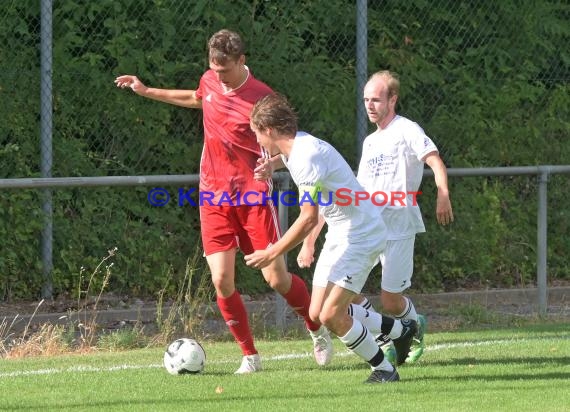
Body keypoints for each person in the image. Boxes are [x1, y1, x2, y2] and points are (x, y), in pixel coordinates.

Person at [114, 29, 333, 374]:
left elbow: (291, 144)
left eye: (225, 69)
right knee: (221, 281)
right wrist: (146, 90)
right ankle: (250, 356)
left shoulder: (262, 97)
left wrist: (272, 164)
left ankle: (316, 328)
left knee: (277, 280)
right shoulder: (210, 80)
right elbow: (196, 98)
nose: (218, 76)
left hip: (253, 198)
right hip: (213, 196)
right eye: (213, 69)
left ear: (242, 61)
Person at [244, 93, 417, 384]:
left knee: (331, 315)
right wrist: (273, 166)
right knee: (316, 311)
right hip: (341, 231)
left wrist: (272, 253)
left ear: (270, 130)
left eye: (257, 134)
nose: (258, 142)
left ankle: (384, 370)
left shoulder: (305, 156)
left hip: (361, 234)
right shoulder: (297, 145)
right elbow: (290, 160)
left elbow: (308, 218)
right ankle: (401, 331)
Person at [353, 70, 454, 363]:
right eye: (366, 100)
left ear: (392, 99)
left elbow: (434, 160)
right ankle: (387, 337)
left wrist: (442, 192)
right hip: (369, 226)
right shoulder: (370, 142)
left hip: (398, 224)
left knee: (390, 301)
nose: (370, 105)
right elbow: (360, 188)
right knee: (344, 292)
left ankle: (414, 325)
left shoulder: (407, 129)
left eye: (376, 99)